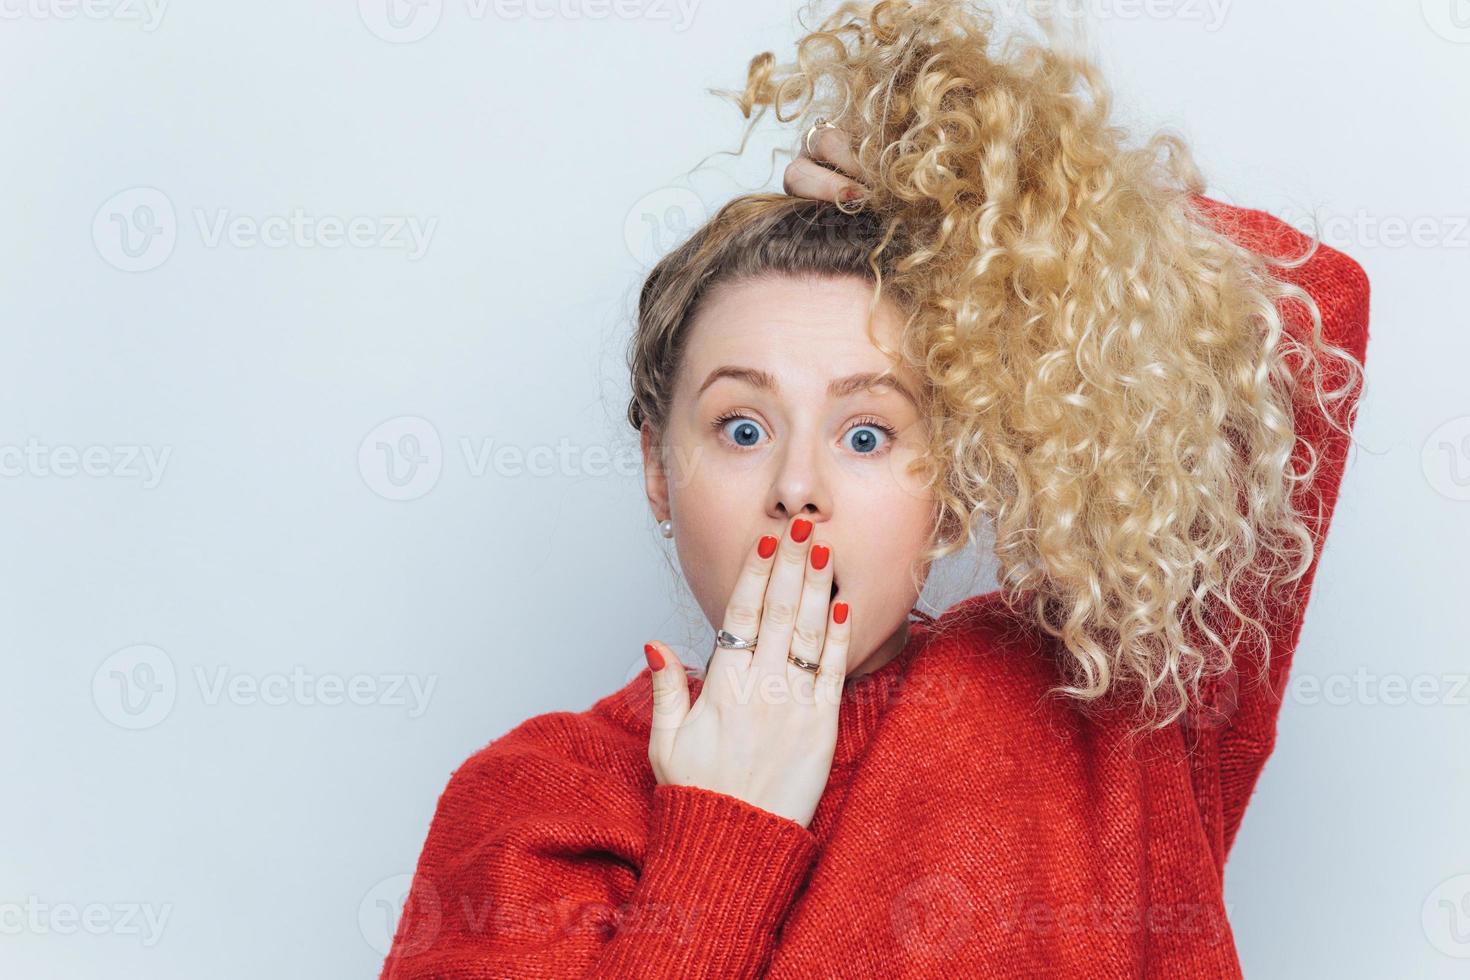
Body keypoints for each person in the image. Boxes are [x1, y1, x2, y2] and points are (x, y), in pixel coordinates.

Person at [379, 1, 1370, 976]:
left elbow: (1311, 313)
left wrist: (1005, 205)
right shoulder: (534, 804)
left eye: (865, 431)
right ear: (656, 471)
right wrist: (726, 835)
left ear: (948, 487)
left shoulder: (1105, 702)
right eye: (741, 426)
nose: (798, 487)